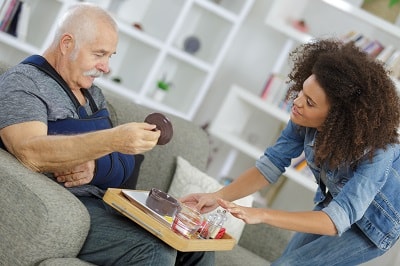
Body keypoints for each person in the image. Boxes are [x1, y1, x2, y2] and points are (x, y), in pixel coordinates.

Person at [0, 3, 213, 266]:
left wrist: (96, 164)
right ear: (67, 44)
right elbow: (30, 152)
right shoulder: (24, 82)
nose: (106, 67)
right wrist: (112, 140)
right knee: (156, 251)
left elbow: (127, 164)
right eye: (99, 54)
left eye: (110, 56)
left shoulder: (93, 95)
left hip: (104, 200)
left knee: (197, 248)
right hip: (69, 206)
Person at [181, 38, 400, 265]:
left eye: (310, 102)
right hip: (335, 203)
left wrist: (262, 214)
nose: (297, 102)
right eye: (302, 91)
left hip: (376, 224)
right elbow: (271, 165)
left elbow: (337, 219)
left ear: (338, 116)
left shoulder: (378, 153)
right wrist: (216, 197)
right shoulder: (303, 117)